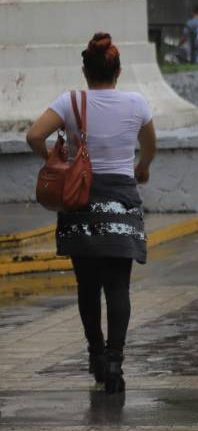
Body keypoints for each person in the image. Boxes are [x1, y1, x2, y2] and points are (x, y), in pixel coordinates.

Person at [25, 32, 157, 395]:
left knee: (88, 285)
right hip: (121, 202)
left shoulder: (71, 102)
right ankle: (115, 363)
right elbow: (149, 148)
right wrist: (141, 167)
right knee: (118, 286)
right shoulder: (136, 104)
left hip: (80, 200)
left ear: (85, 70)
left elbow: (35, 135)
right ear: (119, 71)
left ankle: (95, 354)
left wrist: (59, 162)